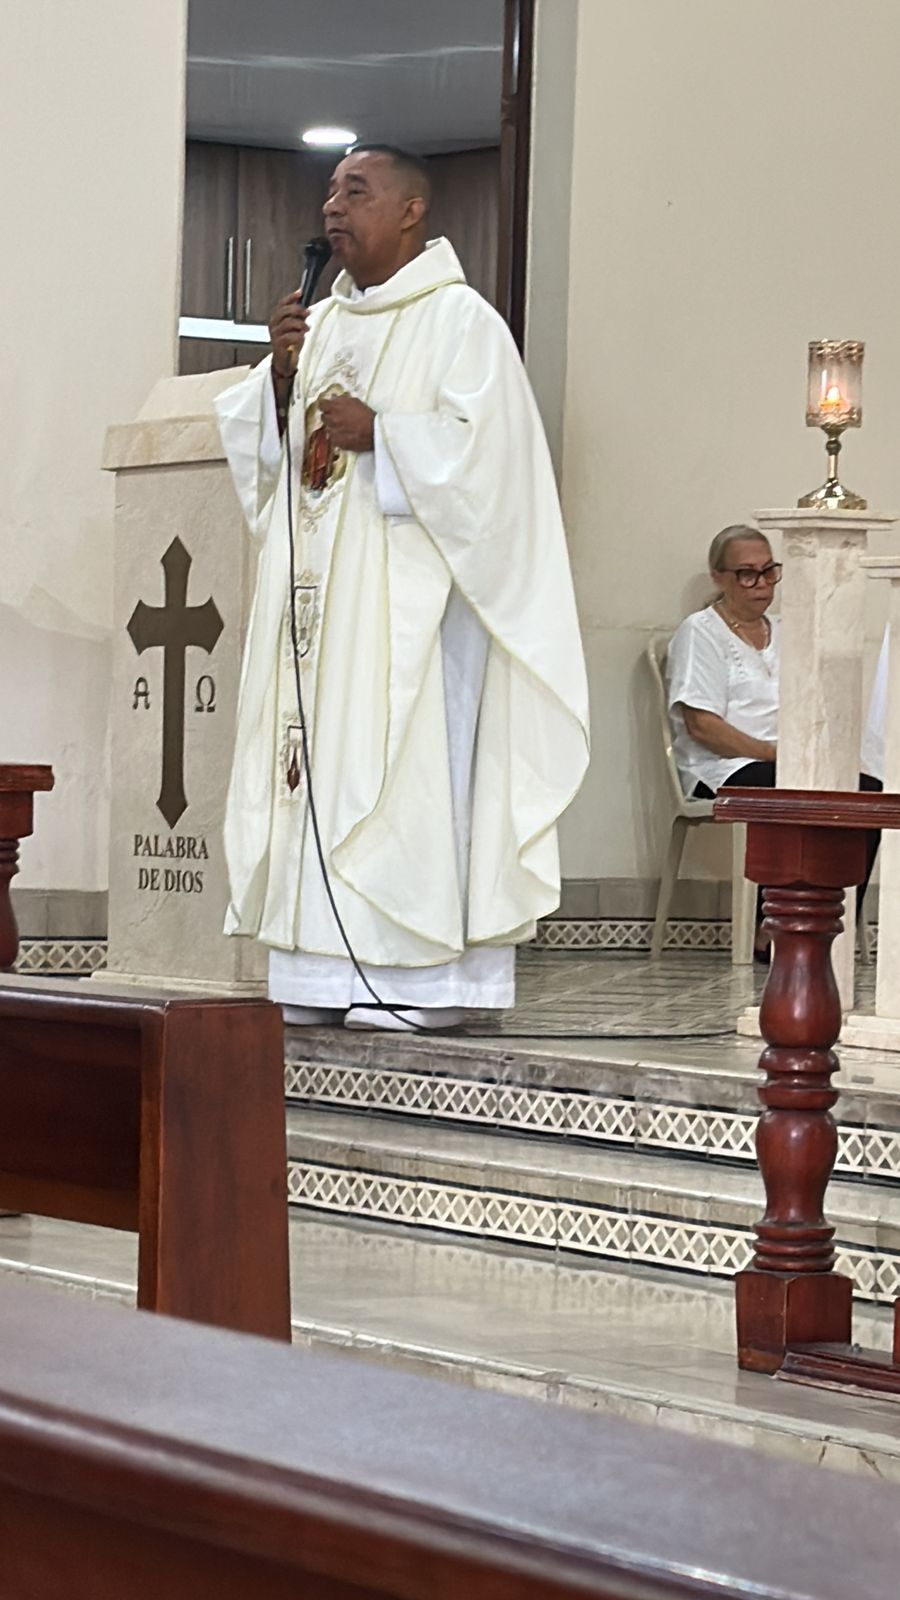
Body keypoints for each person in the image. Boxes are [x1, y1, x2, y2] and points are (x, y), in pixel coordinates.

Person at [215, 145, 589, 1031]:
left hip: (413, 618)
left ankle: (418, 981)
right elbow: (283, 478)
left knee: (399, 773)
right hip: (320, 608)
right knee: (314, 770)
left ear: (413, 210)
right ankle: (316, 974)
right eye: (330, 193)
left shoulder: (461, 323)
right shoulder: (323, 325)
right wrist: (276, 383)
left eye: (357, 191)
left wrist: (388, 434)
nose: (333, 207)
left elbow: (498, 467)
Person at [667, 523, 880, 953]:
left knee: (867, 792)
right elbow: (702, 725)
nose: (762, 583)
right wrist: (774, 753)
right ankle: (777, 929)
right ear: (719, 577)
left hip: (787, 760)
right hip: (724, 766)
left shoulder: (786, 631)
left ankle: (833, 928)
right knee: (783, 784)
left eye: (769, 571)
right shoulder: (701, 632)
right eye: (748, 574)